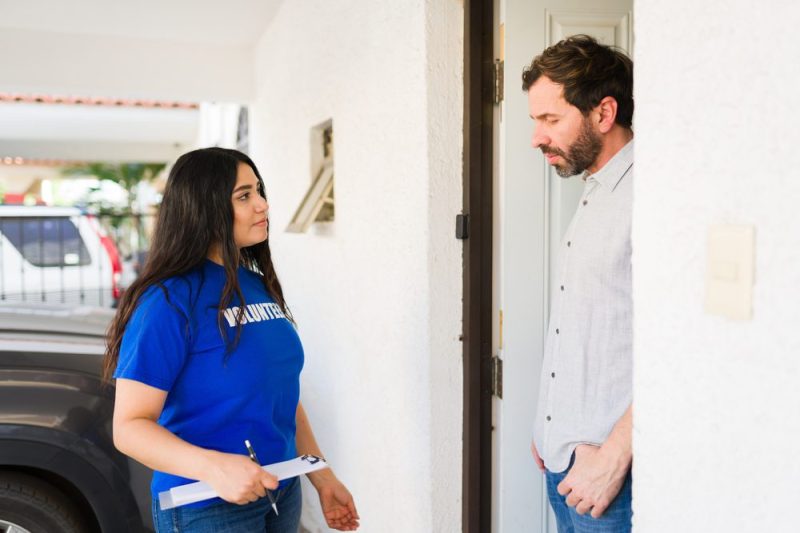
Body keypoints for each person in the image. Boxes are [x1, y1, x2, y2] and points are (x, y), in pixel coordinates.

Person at [104, 147, 359, 532]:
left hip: (281, 490)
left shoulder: (254, 284)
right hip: (206, 503)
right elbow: (129, 427)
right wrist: (213, 467)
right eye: (244, 196)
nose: (263, 205)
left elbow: (283, 396)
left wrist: (320, 474)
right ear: (204, 208)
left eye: (259, 191)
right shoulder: (169, 301)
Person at [523, 35, 635, 532]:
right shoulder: (595, 189)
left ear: (603, 113)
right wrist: (550, 422)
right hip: (562, 459)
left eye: (550, 120)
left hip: (612, 478)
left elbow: (681, 349)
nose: (536, 138)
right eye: (535, 121)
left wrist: (614, 457)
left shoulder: (653, 194)